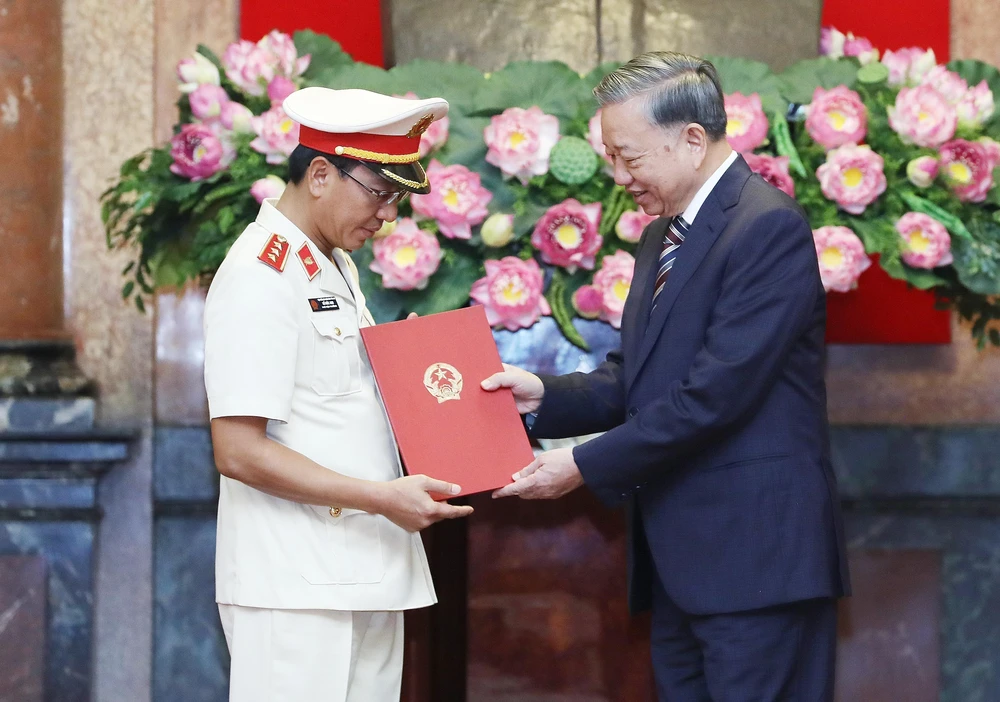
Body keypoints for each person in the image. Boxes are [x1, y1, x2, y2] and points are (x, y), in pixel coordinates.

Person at [482, 52, 851, 701]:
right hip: (684, 568)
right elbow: (643, 376)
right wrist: (543, 395)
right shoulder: (664, 235)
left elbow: (713, 396)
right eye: (612, 159)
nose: (620, 176)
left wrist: (581, 466)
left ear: (691, 138)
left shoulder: (767, 228)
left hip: (756, 567)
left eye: (630, 157)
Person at [203, 86, 474, 702]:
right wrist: (379, 499)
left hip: (360, 569)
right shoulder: (260, 275)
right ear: (320, 174)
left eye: (398, 198)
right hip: (297, 586)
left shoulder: (330, 264)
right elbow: (238, 451)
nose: (388, 215)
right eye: (380, 193)